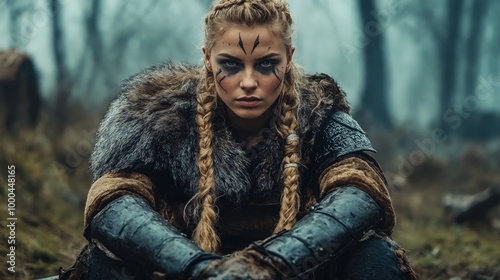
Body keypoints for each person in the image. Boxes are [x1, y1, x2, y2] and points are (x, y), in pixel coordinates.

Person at [60, 0, 417, 279]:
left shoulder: (322, 115)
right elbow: (113, 199)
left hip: (301, 274)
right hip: (179, 273)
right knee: (106, 261)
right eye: (230, 64)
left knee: (374, 256)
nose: (248, 82)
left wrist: (268, 266)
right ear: (207, 59)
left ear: (289, 59)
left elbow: (362, 191)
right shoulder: (156, 116)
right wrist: (200, 269)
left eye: (265, 64)